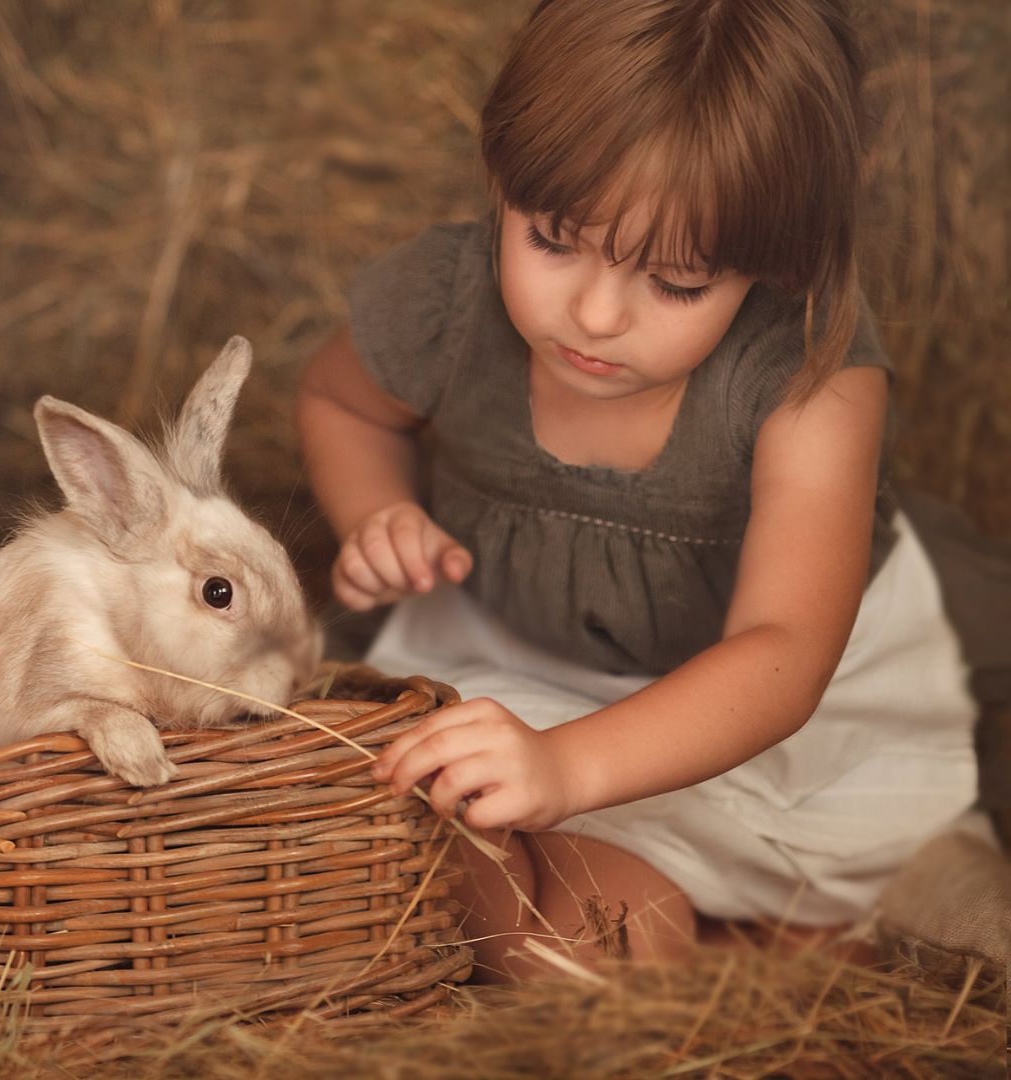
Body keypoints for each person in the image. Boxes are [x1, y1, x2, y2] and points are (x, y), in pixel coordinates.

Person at [298, 0, 1001, 980]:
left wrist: (566, 770)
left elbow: (783, 653)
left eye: (672, 284)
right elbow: (342, 404)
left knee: (672, 923)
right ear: (499, 178)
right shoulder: (444, 299)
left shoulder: (809, 373)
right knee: (572, 939)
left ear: (772, 267)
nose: (591, 313)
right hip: (513, 660)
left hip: (747, 710)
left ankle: (849, 895)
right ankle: (659, 910)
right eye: (551, 238)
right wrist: (377, 511)